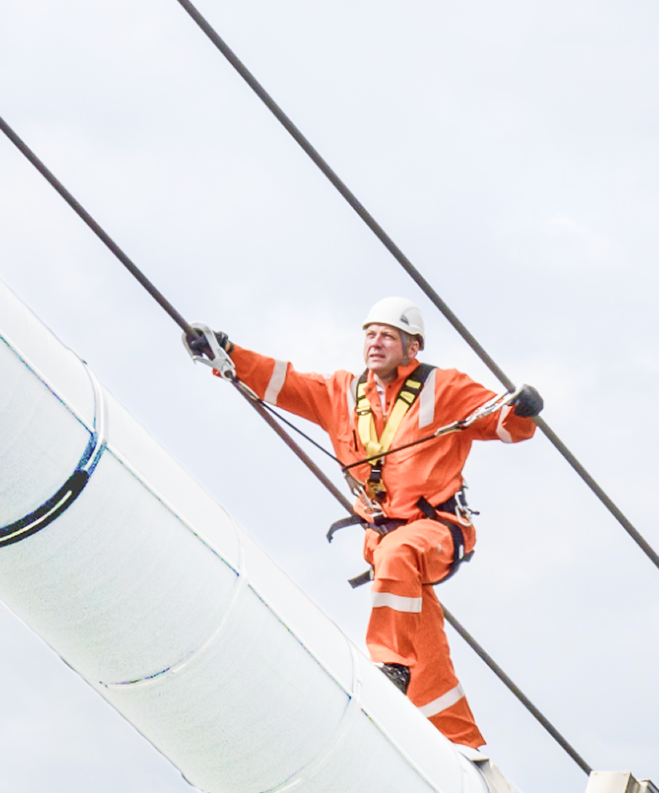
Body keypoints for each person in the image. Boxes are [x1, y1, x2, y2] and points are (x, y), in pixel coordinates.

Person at [183, 297, 541, 748]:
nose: (376, 342)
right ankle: (464, 745)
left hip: (436, 531)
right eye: (370, 334)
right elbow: (284, 382)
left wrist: (524, 409)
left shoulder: (444, 388)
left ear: (413, 347)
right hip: (385, 541)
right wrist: (228, 354)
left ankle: (388, 667)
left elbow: (504, 423)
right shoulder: (343, 394)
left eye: (388, 336)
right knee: (425, 655)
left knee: (398, 555)